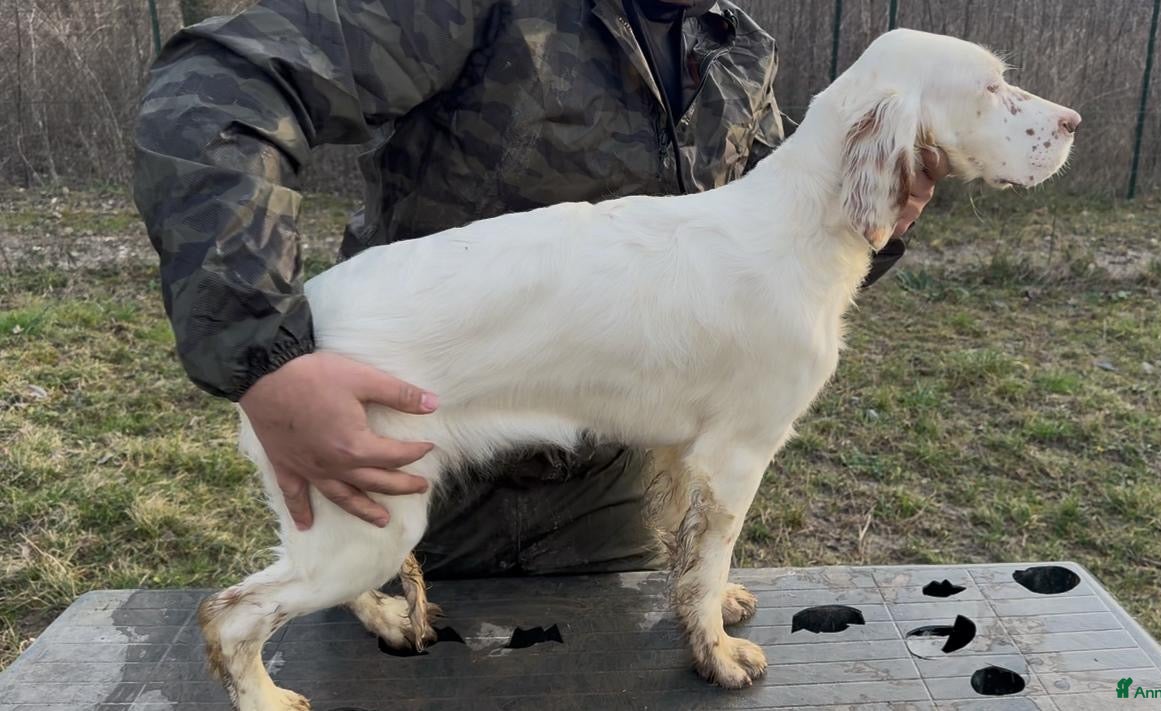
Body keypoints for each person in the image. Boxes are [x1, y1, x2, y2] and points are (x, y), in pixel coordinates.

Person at [133, 0, 947, 579]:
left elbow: (770, 256)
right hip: (423, 455)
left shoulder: (735, 48)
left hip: (609, 491)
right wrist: (266, 355)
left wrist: (874, 225)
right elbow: (221, 84)